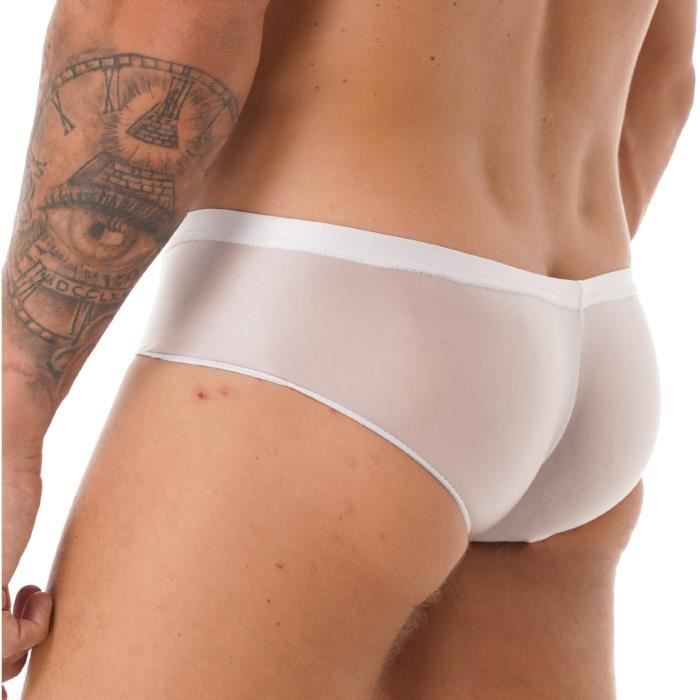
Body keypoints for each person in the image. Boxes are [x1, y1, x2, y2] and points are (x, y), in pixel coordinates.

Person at [2, 0, 695, 697]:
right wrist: (504, 349)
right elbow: (664, 75)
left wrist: (12, 411)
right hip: (592, 330)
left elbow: (158, 26)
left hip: (321, 323)